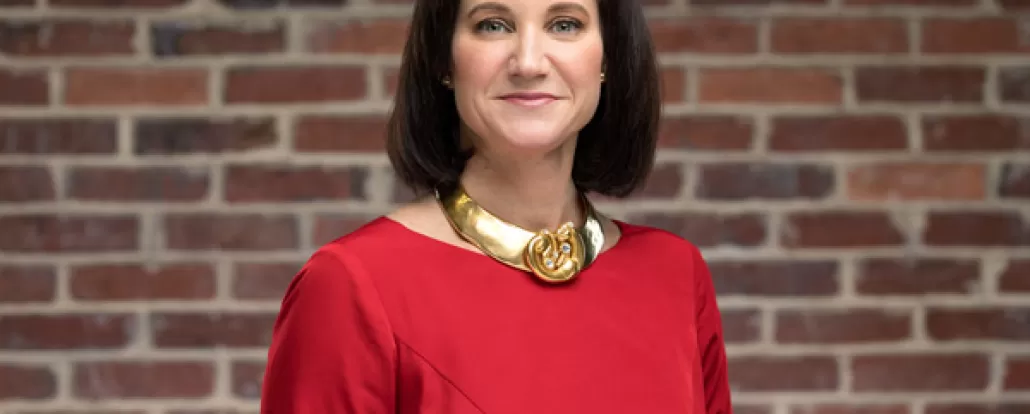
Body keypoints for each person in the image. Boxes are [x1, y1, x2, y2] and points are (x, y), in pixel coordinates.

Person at [260, 0, 733, 412]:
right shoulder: (352, 285)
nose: (528, 63)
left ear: (608, 56)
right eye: (492, 24)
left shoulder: (675, 274)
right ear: (445, 59)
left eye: (565, 24)